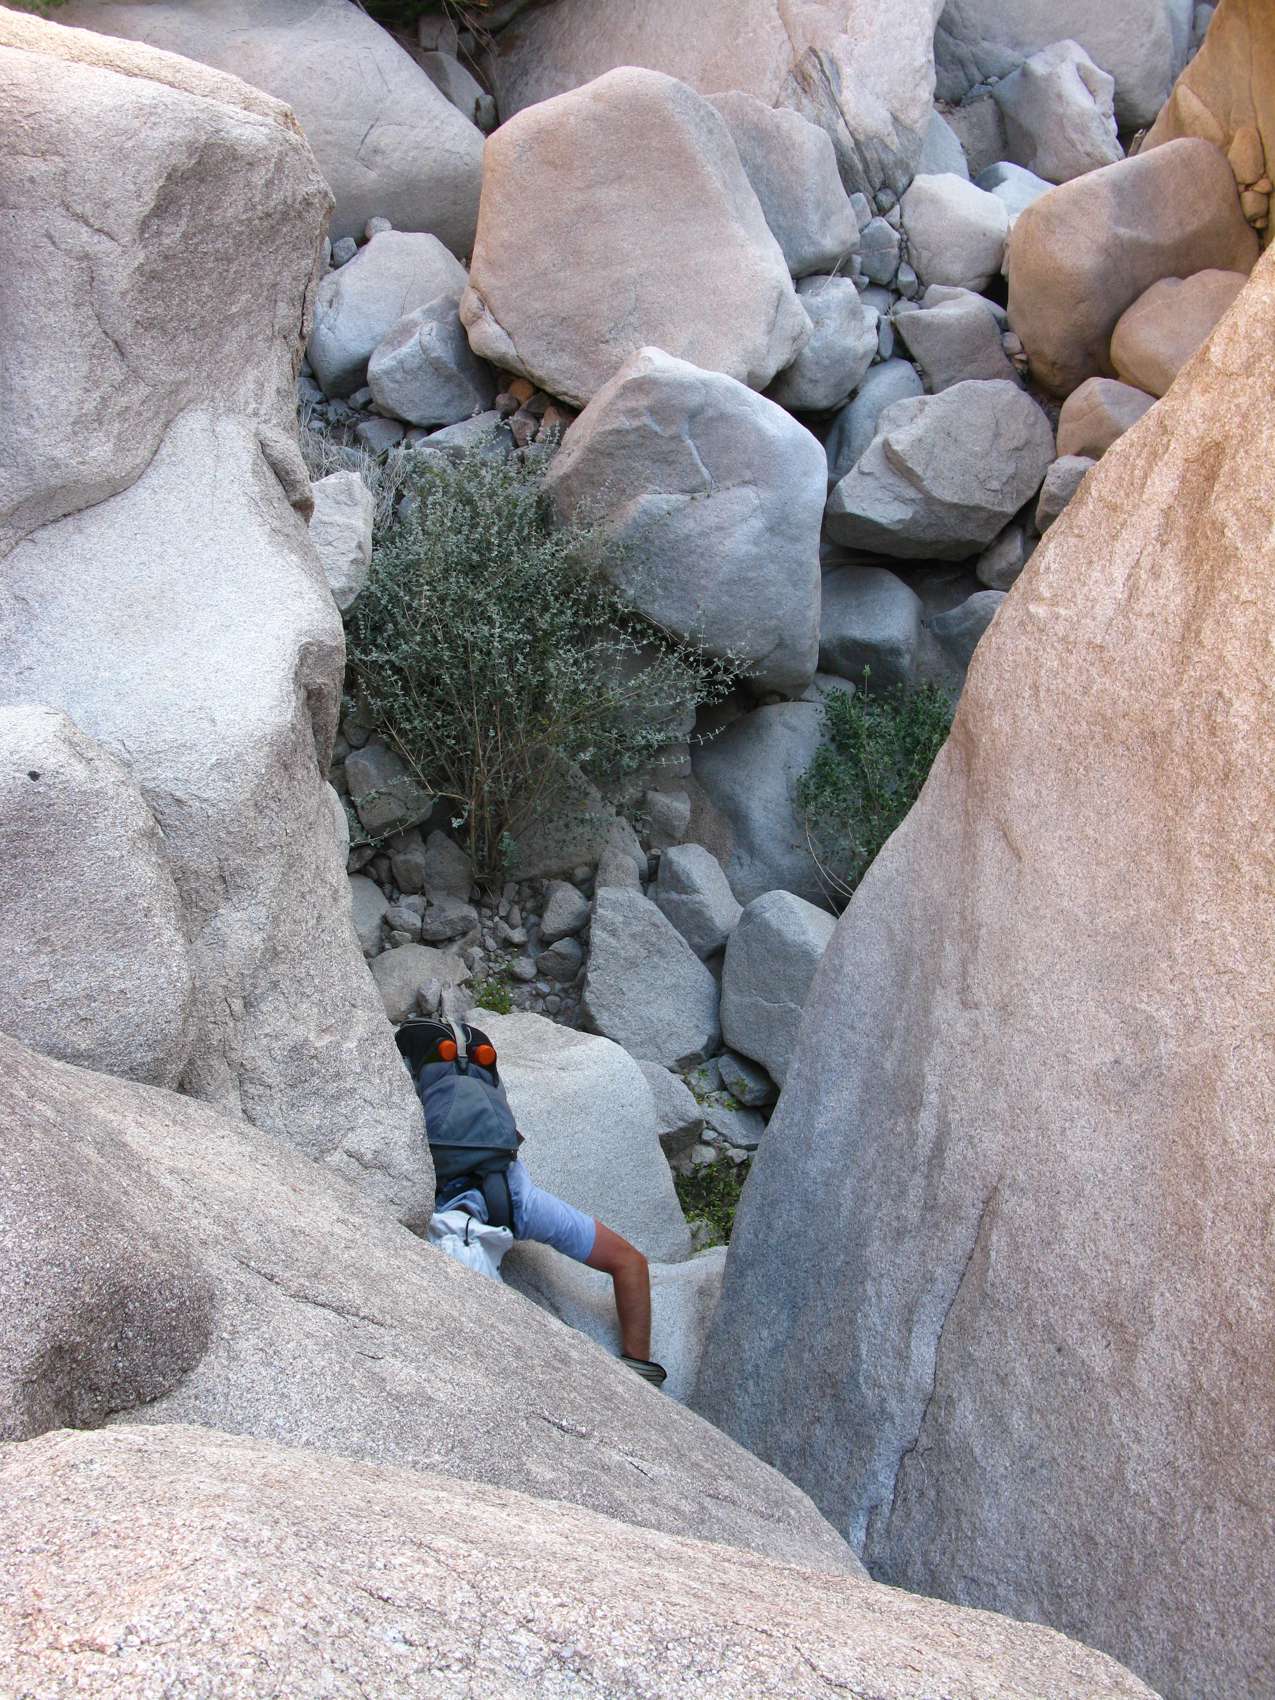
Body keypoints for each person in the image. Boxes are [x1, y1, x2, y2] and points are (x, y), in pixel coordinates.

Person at [396, 1016, 668, 1388]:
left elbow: (630, 1265)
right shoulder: (520, 1201)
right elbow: (629, 1263)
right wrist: (638, 1372)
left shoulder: (406, 1178)